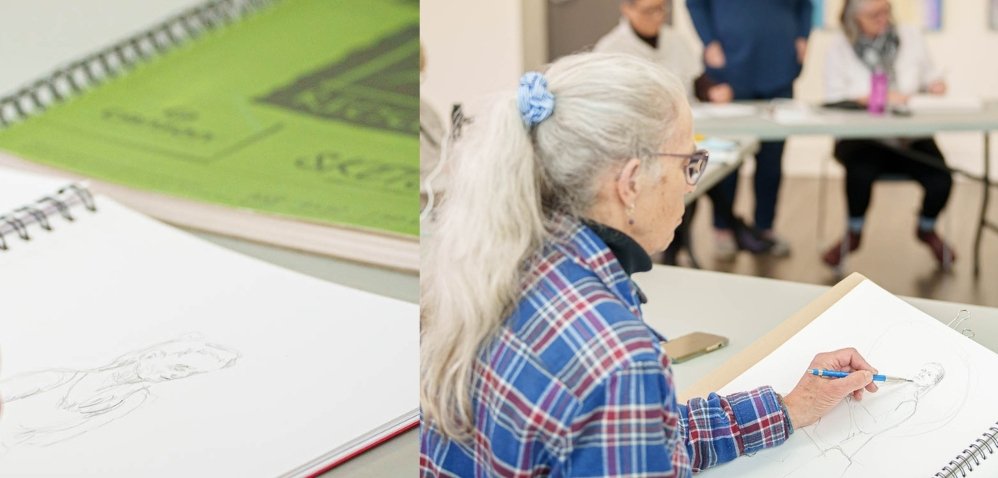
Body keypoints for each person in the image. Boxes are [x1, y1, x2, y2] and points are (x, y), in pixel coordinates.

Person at [420, 52, 879, 476]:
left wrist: (792, 407)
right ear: (631, 182)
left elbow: (645, 435)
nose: (690, 185)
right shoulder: (618, 360)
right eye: (688, 163)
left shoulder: (493, 263)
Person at [594, 0, 773, 262]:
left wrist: (713, 91)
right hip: (640, 144)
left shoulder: (675, 40)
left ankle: (699, 240)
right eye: (649, 10)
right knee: (685, 174)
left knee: (702, 170)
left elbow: (697, 80)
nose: (658, 16)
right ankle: (731, 228)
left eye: (662, 9)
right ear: (627, 8)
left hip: (681, 135)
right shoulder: (610, 50)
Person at [822, 0, 955, 268]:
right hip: (863, 139)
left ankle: (926, 228)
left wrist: (935, 85)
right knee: (859, 174)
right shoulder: (839, 47)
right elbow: (834, 97)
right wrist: (874, 99)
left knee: (941, 179)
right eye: (874, 15)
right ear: (853, 18)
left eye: (886, 12)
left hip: (909, 136)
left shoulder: (910, 36)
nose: (883, 19)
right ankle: (853, 234)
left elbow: (929, 76)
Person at [687, 0, 814, 257]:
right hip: (731, 68)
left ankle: (765, 228)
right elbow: (695, 3)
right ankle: (723, 228)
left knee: (771, 159)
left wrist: (802, 37)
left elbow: (806, 5)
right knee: (727, 156)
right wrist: (709, 41)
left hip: (780, 67)